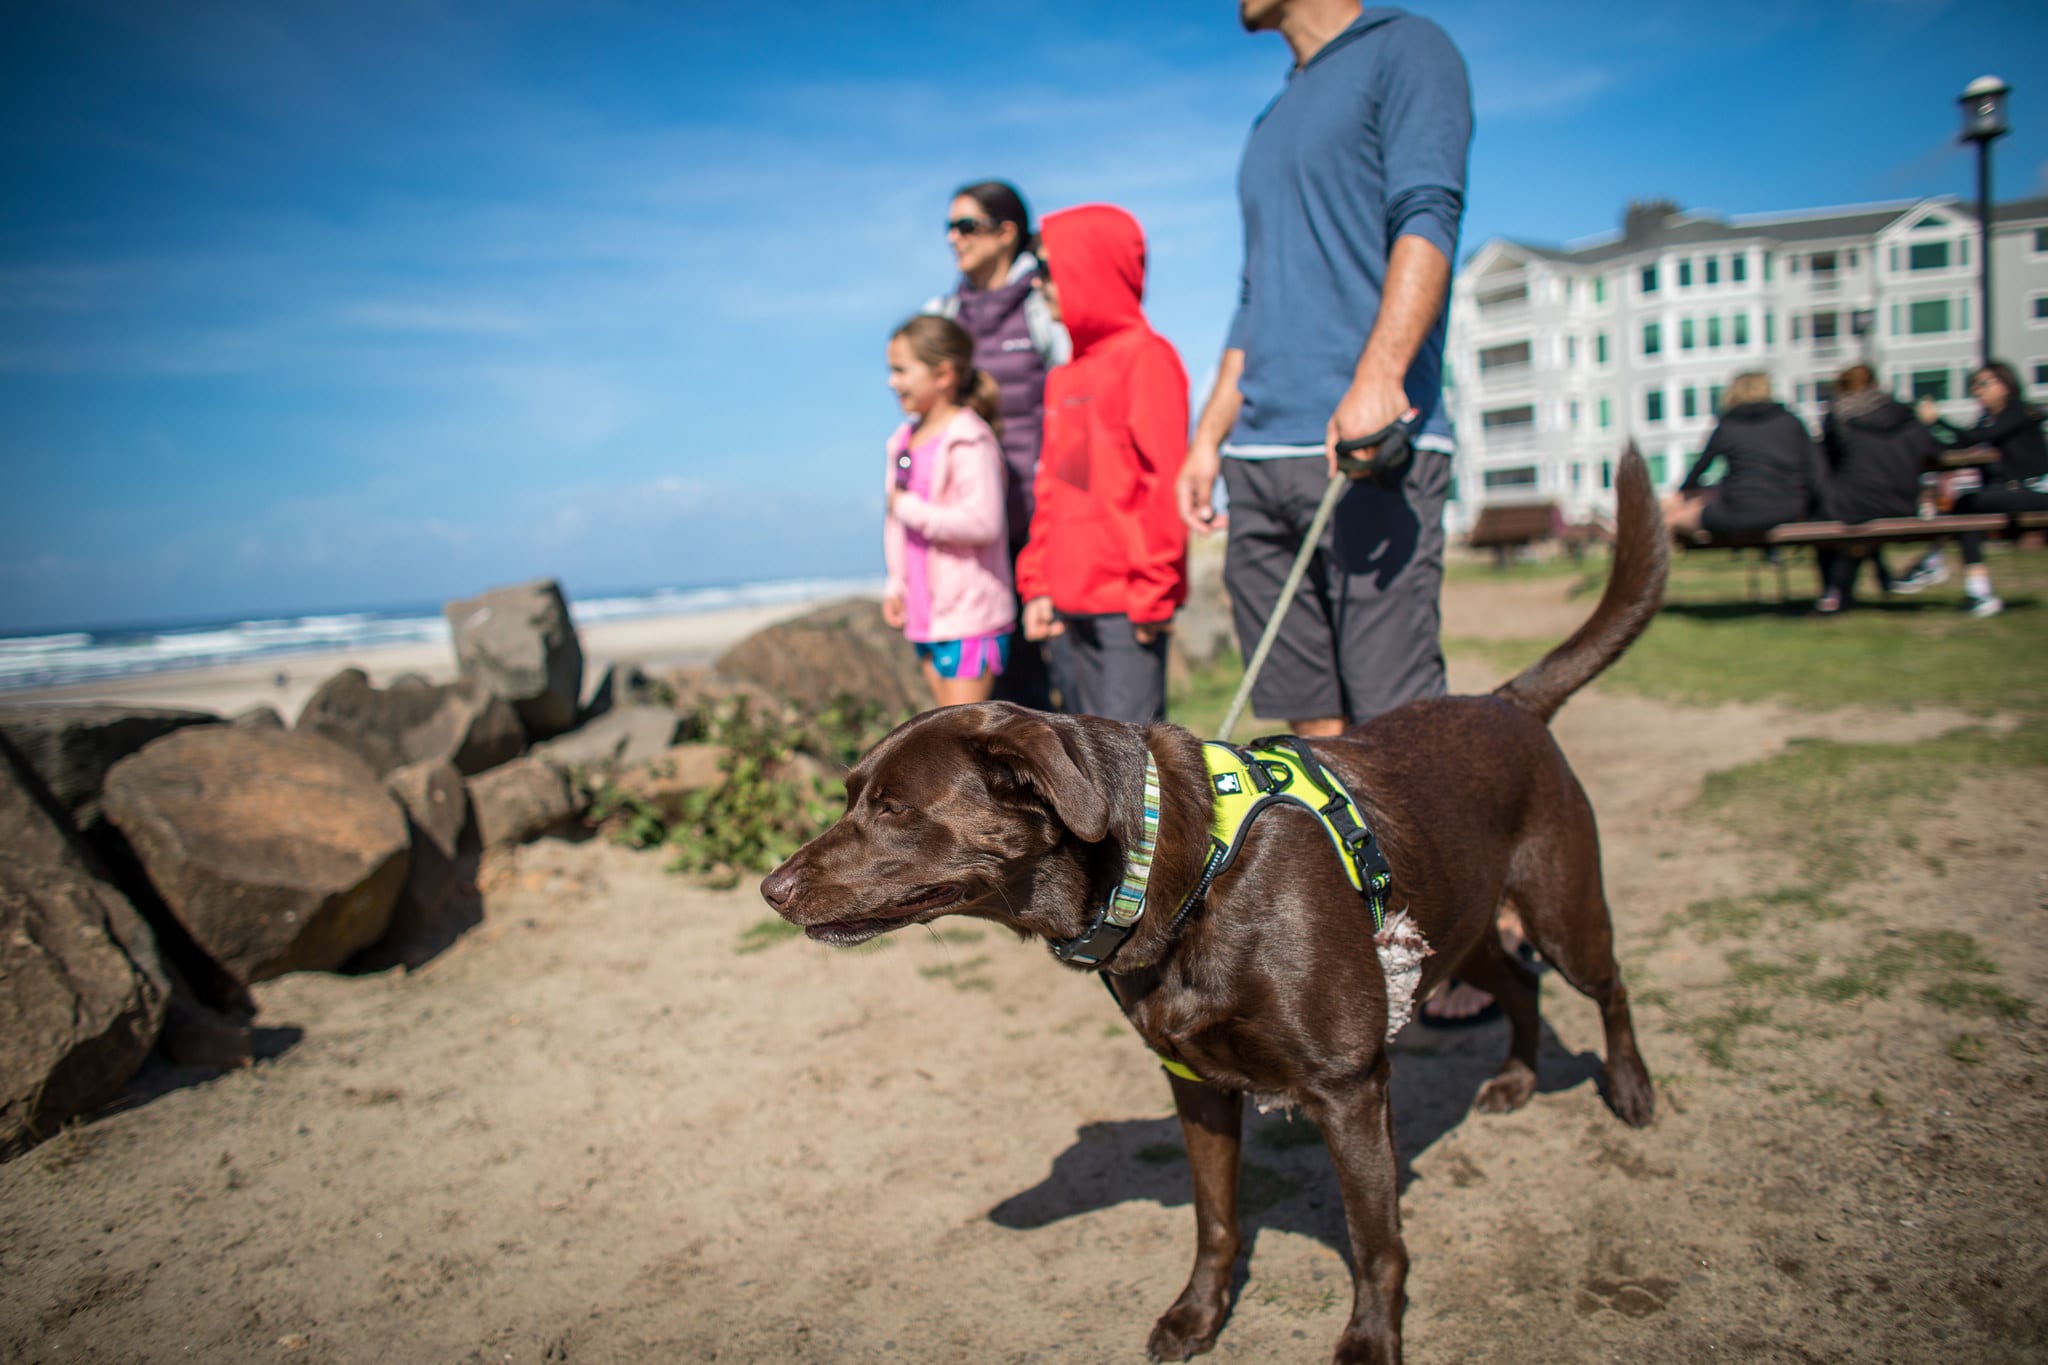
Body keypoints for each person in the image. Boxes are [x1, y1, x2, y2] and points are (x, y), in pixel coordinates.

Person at [1173, 1, 1474, 1019]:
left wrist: (1380, 373)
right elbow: (1252, 296)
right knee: (1310, 727)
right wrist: (1208, 431)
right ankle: (1363, 944)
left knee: (1398, 732)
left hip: (1368, 437)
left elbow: (1428, 212)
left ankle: (1451, 950)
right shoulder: (1268, 123)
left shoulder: (1407, 49)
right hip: (1260, 454)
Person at [1015, 204, 1189, 724]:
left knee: (1134, 768)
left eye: (1048, 269)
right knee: (1088, 767)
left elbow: (1165, 482)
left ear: (1092, 267)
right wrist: (1040, 582)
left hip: (1127, 607)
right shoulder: (1066, 377)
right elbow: (1058, 487)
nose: (1040, 285)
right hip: (1069, 605)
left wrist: (1156, 591)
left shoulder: (1148, 358)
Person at [925, 180, 1069, 710]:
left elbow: (1073, 397)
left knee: (1067, 672)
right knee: (1008, 690)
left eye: (966, 225)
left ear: (1007, 233)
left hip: (1043, 516)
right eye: (949, 227)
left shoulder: (1042, 305)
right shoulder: (942, 314)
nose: (953, 238)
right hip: (977, 527)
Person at [881, 315, 1015, 708]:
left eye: (901, 370)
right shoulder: (902, 441)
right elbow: (895, 526)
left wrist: (910, 509)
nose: (892, 382)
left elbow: (983, 522)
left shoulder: (970, 439)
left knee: (961, 744)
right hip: (925, 616)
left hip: (971, 618)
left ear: (943, 374)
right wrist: (895, 584)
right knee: (946, 733)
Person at [1902, 361, 2048, 618]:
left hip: (2037, 492)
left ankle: (1937, 564)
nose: (1977, 391)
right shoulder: (1989, 419)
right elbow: (1960, 442)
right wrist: (1927, 428)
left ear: (2005, 385)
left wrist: (1937, 420)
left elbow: (1971, 439)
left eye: (1983, 383)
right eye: (1974, 386)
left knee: (1966, 506)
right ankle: (1977, 592)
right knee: (1967, 515)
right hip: (2013, 493)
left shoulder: (2019, 411)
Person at [1813, 363, 1940, 613]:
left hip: (1853, 505)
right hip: (1902, 503)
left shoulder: (1840, 416)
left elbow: (1828, 458)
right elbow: (1934, 451)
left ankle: (1833, 593)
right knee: (1861, 526)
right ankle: (1880, 578)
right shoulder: (1905, 415)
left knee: (1824, 520)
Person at [1664, 371, 1826, 538]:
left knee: (1672, 517)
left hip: (1739, 512)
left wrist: (1684, 494)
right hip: (1788, 508)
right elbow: (1815, 470)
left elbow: (1700, 468)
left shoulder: (1728, 425)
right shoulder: (1791, 421)